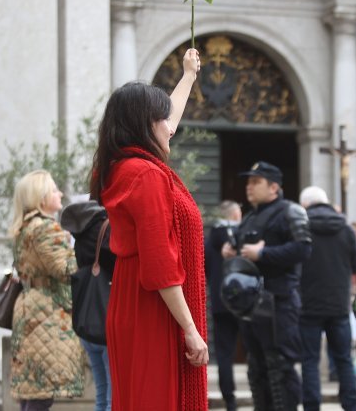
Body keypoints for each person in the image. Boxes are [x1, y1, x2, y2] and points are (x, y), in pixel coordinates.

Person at [89, 48, 209, 411]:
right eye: (162, 119)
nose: (170, 126)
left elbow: (170, 121)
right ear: (144, 125)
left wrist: (188, 75)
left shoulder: (120, 166)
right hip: (153, 306)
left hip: (133, 299)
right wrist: (190, 329)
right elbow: (160, 264)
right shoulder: (146, 175)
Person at [221, 160, 312, 410]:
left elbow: (303, 248)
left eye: (255, 182)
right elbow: (245, 256)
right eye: (248, 182)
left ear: (274, 187)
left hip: (280, 303)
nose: (248, 187)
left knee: (280, 367)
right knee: (257, 368)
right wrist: (232, 253)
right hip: (252, 306)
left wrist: (265, 254)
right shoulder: (250, 218)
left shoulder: (290, 211)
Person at [9, 170, 85, 410]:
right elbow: (65, 268)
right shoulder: (45, 228)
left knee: (33, 391)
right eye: (54, 189)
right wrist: (83, 251)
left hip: (32, 308)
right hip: (47, 313)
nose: (60, 193)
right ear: (41, 198)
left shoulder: (26, 226)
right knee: (41, 393)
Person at [298, 186, 356, 411]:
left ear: (305, 205)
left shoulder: (302, 228)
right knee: (344, 359)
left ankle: (311, 406)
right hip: (338, 305)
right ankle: (351, 405)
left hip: (308, 305)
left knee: (309, 360)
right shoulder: (346, 229)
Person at [60, 199, 117, 411]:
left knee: (102, 392)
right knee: (113, 394)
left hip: (86, 321)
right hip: (106, 319)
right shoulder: (107, 229)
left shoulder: (79, 234)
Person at [204, 200, 243, 411]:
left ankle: (230, 401)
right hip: (246, 301)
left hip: (221, 302)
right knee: (255, 350)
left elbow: (206, 271)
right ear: (236, 215)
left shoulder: (211, 240)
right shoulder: (245, 235)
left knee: (224, 354)